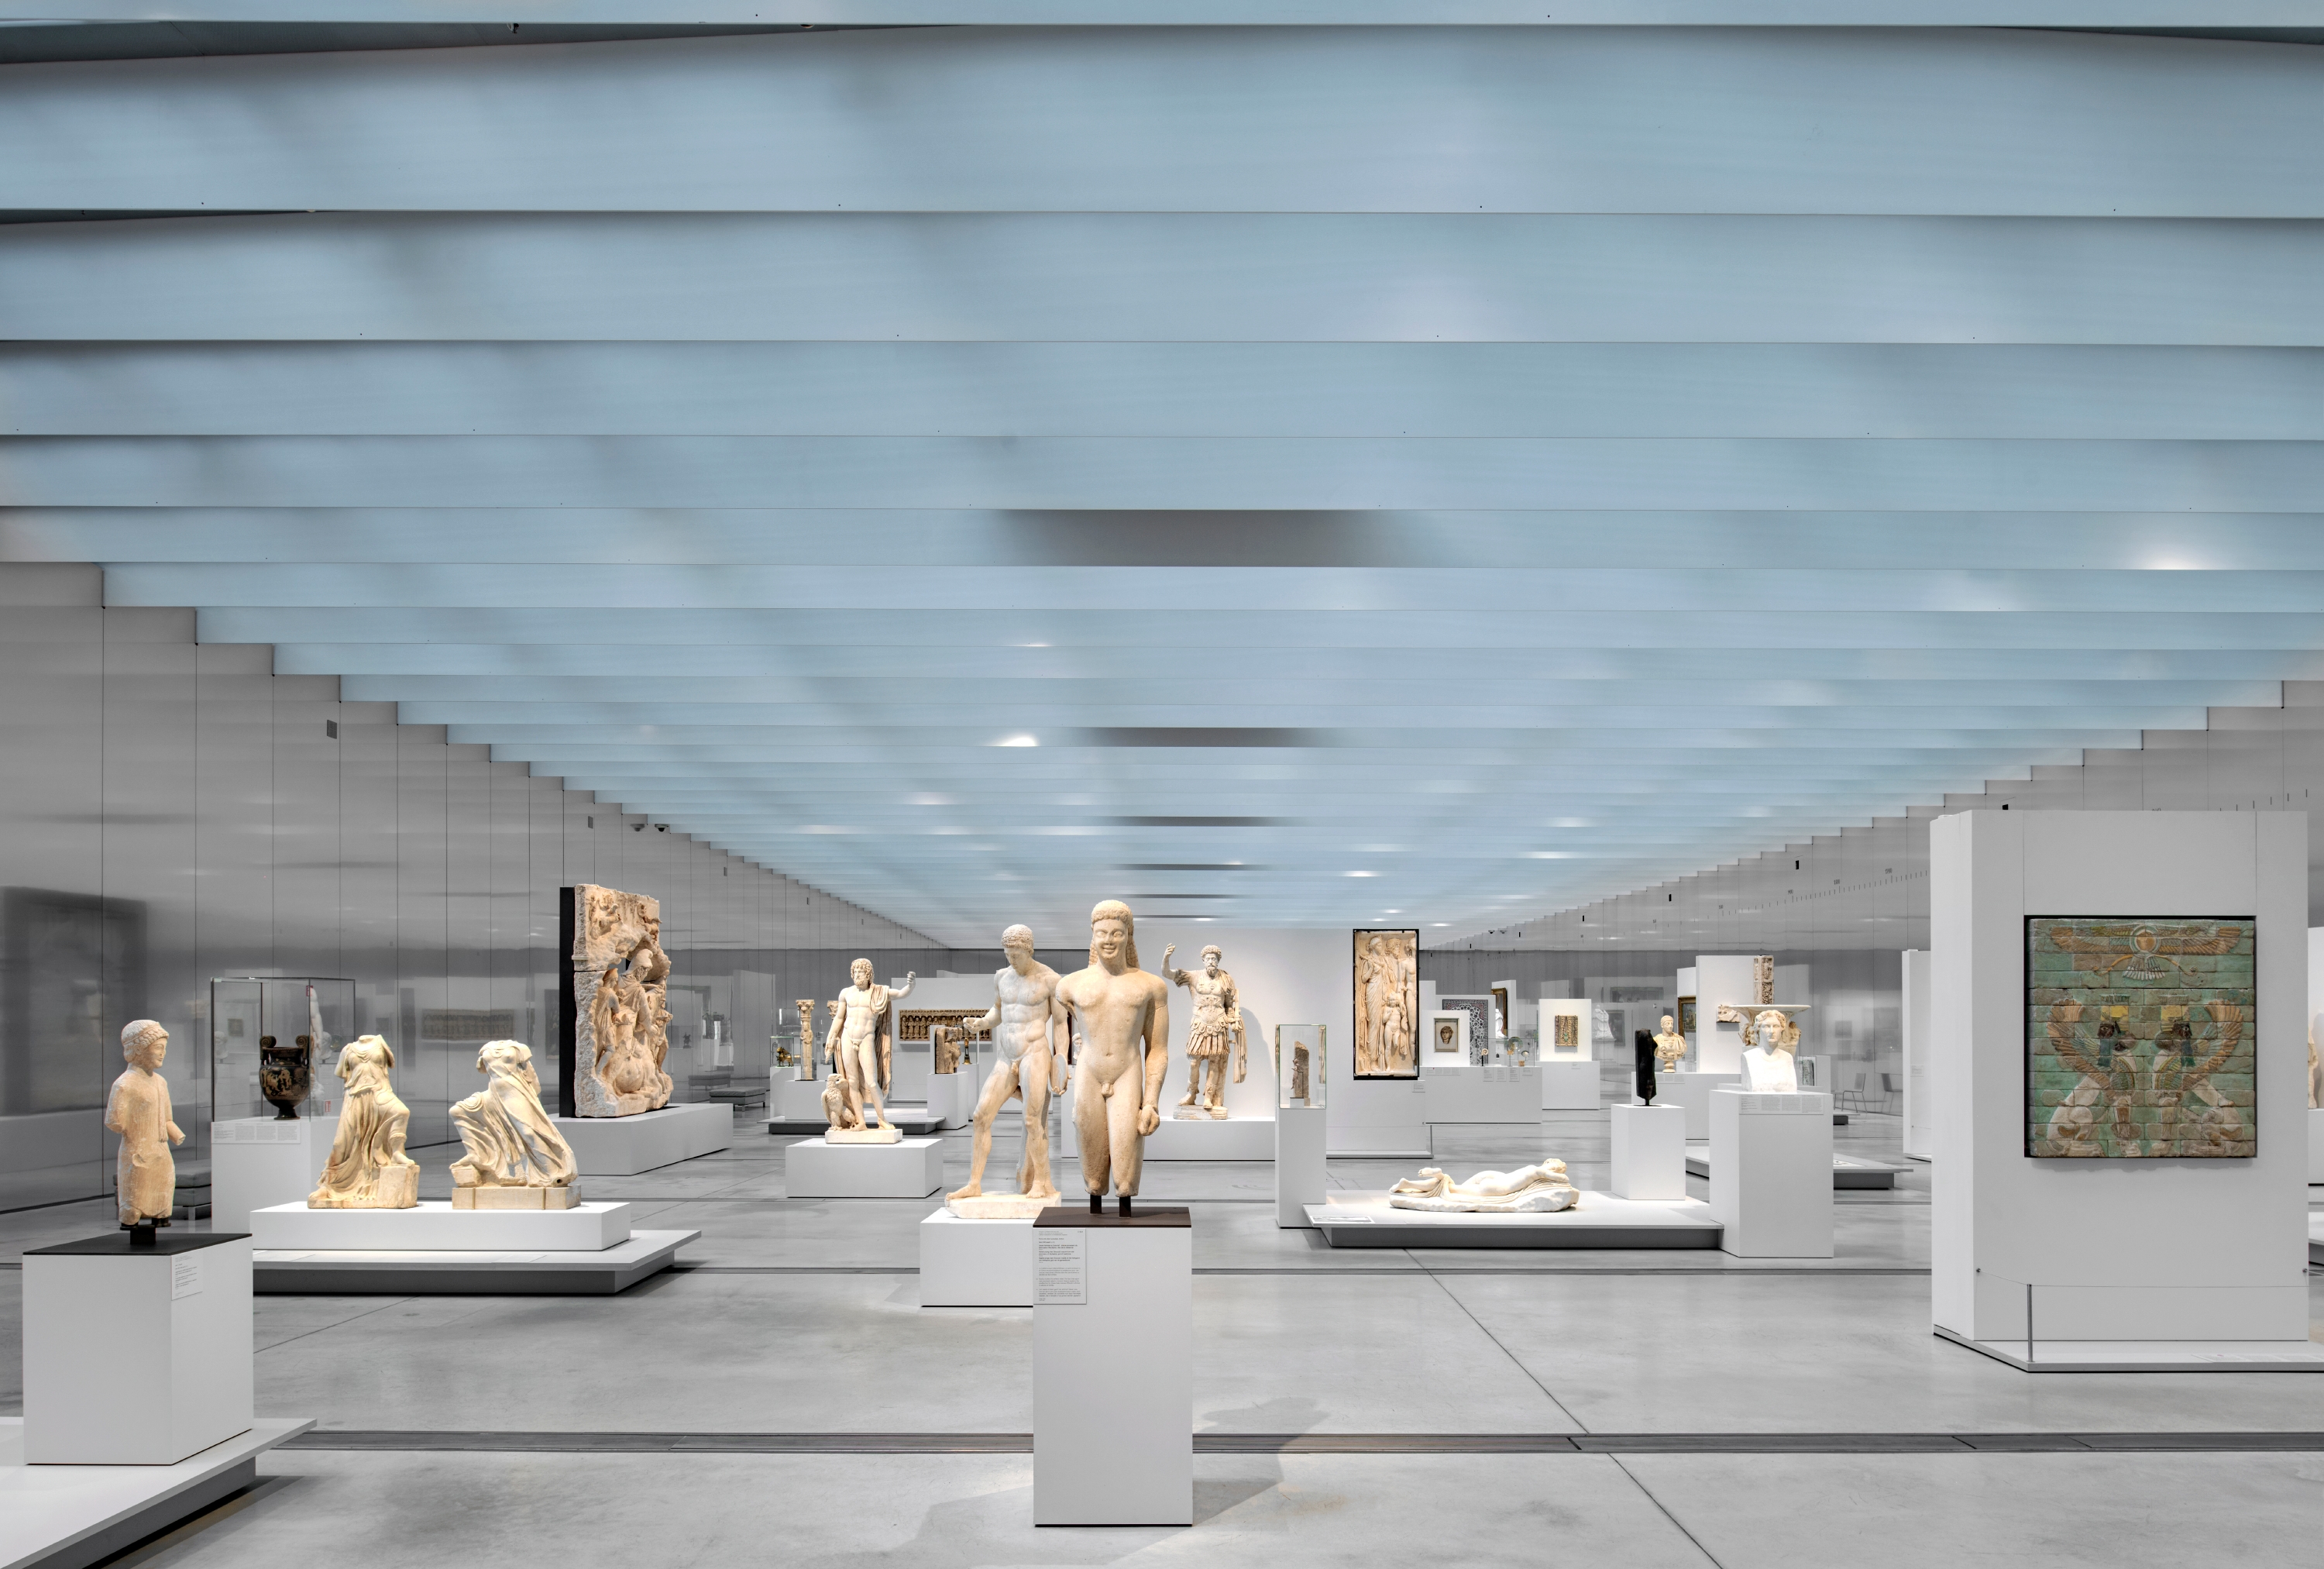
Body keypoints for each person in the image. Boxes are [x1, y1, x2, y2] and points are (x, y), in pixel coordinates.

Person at [1057, 900, 1170, 1215]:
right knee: (1093, 1177)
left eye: (1117, 933)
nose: (1109, 940)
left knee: (1124, 1173)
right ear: (1092, 936)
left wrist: (1151, 1102)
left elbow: (1157, 1049)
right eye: (1102, 933)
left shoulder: (1150, 986)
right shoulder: (1069, 986)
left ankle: (1124, 1208)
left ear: (1128, 935)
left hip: (1127, 1070)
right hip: (1089, 1070)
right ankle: (1095, 1204)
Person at [948, 924, 1068, 1205]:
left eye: (1017, 954)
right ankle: (974, 1184)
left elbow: (1061, 1023)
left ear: (1029, 950)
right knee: (980, 1116)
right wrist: (981, 1023)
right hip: (1006, 1056)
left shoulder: (1051, 980)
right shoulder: (1002, 977)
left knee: (1032, 1119)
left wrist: (1059, 1060)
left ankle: (1042, 1182)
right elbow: (999, 1010)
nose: (1011, 960)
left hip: (1034, 1053)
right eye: (1007, 954)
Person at [107, 1020, 184, 1234]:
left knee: (163, 1188)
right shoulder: (124, 1084)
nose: (163, 1054)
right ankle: (131, 1218)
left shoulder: (160, 1082)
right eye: (158, 1048)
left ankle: (160, 1217)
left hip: (161, 1151)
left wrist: (176, 1135)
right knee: (136, 1196)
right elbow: (114, 1121)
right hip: (138, 1152)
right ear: (139, 1049)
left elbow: (167, 1118)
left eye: (164, 1049)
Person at [1164, 943, 1244, 1117]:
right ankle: (1192, 1094)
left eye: (1214, 959)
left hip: (1218, 1023)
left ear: (1218, 961)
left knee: (1215, 1061)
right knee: (1194, 1060)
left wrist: (1234, 1020)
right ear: (1203, 960)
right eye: (1208, 959)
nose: (1211, 962)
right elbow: (1168, 974)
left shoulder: (1226, 979)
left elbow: (1230, 1005)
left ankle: (1209, 1096)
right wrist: (1166, 959)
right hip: (1199, 1023)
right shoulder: (1194, 976)